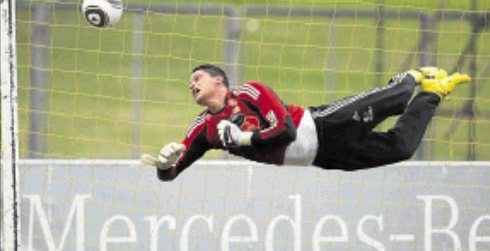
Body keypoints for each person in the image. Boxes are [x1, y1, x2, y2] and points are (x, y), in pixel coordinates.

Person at [151, 64, 470, 181]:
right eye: (190, 82)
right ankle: (432, 94)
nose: (191, 84)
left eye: (197, 78)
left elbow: (285, 130)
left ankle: (412, 76)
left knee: (393, 100)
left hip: (323, 125)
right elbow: (172, 174)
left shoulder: (251, 92)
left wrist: (245, 139)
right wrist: (164, 166)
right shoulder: (201, 130)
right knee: (401, 147)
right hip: (323, 157)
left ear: (219, 80)